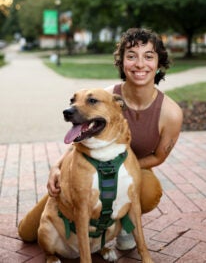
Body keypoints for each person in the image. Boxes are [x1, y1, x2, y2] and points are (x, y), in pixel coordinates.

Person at [18, 28, 183, 250]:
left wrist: (119, 170)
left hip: (133, 169)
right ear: (122, 62)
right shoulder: (102, 97)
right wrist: (57, 168)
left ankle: (124, 224)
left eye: (149, 56)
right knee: (28, 233)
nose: (140, 64)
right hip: (86, 168)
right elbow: (80, 137)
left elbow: (159, 156)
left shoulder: (170, 112)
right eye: (131, 56)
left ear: (158, 62)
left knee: (148, 191)